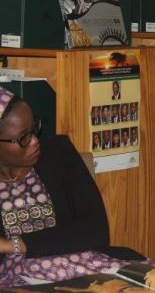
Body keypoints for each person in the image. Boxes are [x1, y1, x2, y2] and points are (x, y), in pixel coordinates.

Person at [0, 87, 145, 287]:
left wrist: (15, 245)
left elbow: (96, 230)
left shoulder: (57, 153)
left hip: (94, 266)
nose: (34, 141)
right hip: (27, 282)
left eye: (34, 128)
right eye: (23, 137)